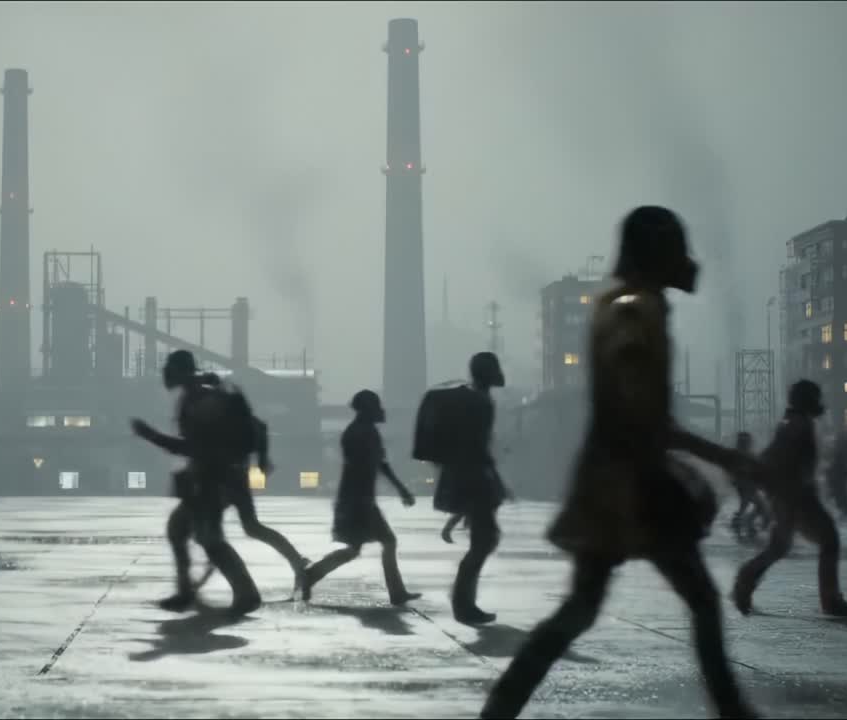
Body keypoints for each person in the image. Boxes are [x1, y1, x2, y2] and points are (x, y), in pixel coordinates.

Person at [480, 206, 759, 719]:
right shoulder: (636, 310)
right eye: (675, 246)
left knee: (581, 608)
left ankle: (499, 709)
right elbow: (643, 412)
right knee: (696, 600)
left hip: (610, 483)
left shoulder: (619, 303)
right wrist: (720, 456)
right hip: (635, 487)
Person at [132, 350, 262, 616]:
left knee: (209, 539)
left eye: (170, 367)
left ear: (182, 370)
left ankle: (246, 593)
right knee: (180, 530)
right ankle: (186, 592)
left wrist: (151, 436)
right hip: (208, 477)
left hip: (212, 480)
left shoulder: (199, 400)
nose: (165, 373)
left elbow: (193, 447)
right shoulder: (195, 397)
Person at [732, 381, 847, 617]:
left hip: (790, 496)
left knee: (779, 547)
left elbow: (771, 454)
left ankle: (745, 581)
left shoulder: (792, 422)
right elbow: (776, 456)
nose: (819, 403)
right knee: (828, 539)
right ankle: (830, 599)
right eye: (815, 397)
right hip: (795, 497)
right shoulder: (797, 424)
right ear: (806, 400)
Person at [302, 390, 421, 605]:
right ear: (367, 409)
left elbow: (379, 464)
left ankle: (310, 576)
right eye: (376, 406)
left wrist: (400, 488)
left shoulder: (361, 431)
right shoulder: (362, 433)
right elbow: (377, 465)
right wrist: (400, 489)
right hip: (359, 500)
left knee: (355, 549)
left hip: (355, 498)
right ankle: (396, 592)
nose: (381, 410)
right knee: (386, 542)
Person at [414, 352, 507, 625]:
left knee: (484, 540)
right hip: (475, 478)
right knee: (485, 541)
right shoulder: (481, 402)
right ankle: (462, 603)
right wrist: (491, 478)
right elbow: (477, 445)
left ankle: (463, 601)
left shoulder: (474, 397)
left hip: (468, 476)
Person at [199, 372, 310, 590]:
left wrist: (260, 458)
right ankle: (297, 561)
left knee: (214, 527)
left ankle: (216, 572)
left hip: (227, 478)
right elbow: (260, 427)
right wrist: (262, 458)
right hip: (232, 477)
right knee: (249, 527)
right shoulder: (232, 410)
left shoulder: (222, 412)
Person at [729, 432, 770, 542]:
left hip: (749, 487)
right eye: (746, 442)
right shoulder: (738, 456)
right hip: (746, 487)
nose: (748, 443)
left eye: (748, 441)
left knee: (759, 507)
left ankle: (746, 525)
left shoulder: (747, 455)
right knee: (751, 506)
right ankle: (742, 525)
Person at [824, 429, 847, 521]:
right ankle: (843, 512)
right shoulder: (841, 450)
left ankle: (843, 512)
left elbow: (838, 464)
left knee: (840, 493)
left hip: (838, 476)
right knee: (840, 493)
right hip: (838, 475)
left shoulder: (840, 451)